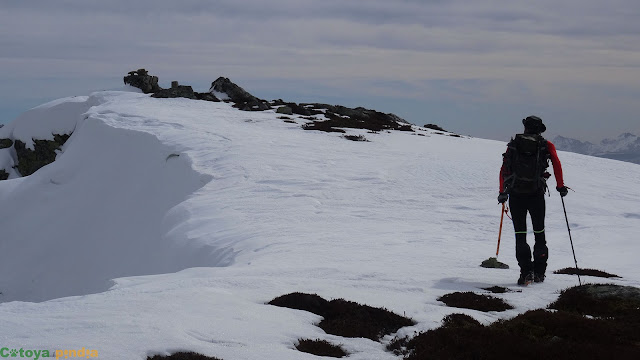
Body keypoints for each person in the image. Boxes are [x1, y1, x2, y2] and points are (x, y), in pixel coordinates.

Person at [498, 116, 568, 285]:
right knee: (539, 234)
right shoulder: (546, 145)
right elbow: (557, 164)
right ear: (539, 129)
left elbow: (504, 168)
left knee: (520, 235)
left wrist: (502, 192)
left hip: (515, 194)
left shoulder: (514, 144)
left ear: (525, 127)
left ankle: (525, 273)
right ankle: (539, 273)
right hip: (536, 194)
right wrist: (560, 186)